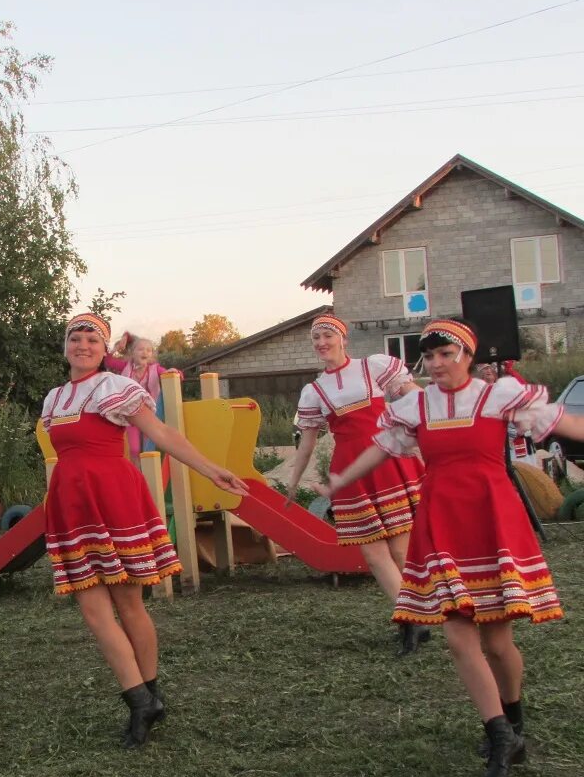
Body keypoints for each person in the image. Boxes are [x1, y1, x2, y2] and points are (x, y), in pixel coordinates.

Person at [323, 318, 584, 777]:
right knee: (459, 636)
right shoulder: (416, 405)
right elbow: (382, 447)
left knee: (498, 643)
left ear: (468, 356)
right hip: (442, 521)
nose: (439, 364)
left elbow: (563, 423)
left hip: (490, 520)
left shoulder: (497, 395)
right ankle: (499, 733)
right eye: (432, 356)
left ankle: (514, 717)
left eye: (448, 354)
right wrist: (341, 479)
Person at [42, 313, 248, 749]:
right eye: (75, 339)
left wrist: (211, 470)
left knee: (129, 603)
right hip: (71, 501)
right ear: (65, 347)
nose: (82, 346)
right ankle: (141, 700)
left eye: (91, 340)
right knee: (94, 610)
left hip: (113, 496)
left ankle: (147, 696)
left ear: (105, 350)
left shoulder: (115, 388)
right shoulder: (54, 398)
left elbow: (160, 432)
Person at [285, 313, 427, 655]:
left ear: (342, 338)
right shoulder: (313, 390)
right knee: (373, 553)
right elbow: (307, 442)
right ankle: (411, 620)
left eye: (327, 336)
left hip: (388, 460)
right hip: (349, 470)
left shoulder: (373, 367)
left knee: (400, 548)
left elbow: (415, 398)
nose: (321, 343)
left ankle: (418, 616)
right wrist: (293, 482)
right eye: (315, 339)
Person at [107, 333, 180, 465]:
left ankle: (149, 474)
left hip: (150, 413)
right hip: (130, 413)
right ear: (132, 353)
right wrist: (116, 348)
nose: (144, 352)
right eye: (140, 349)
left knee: (148, 448)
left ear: (152, 355)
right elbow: (107, 360)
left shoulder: (155, 368)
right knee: (134, 449)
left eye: (148, 350)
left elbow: (169, 373)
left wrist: (175, 372)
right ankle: (137, 473)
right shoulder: (125, 367)